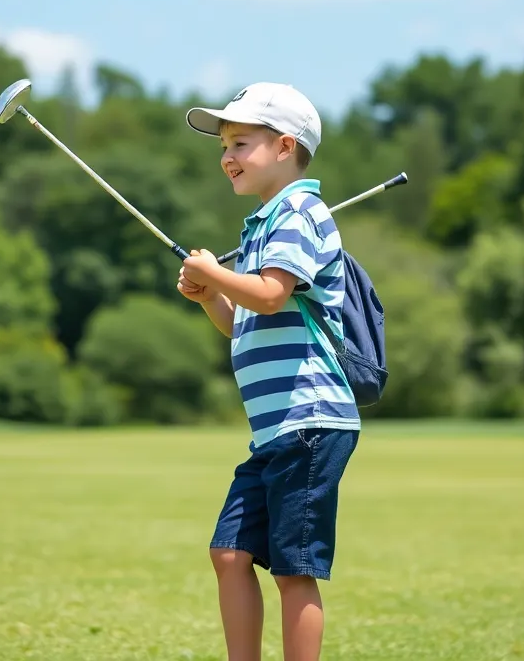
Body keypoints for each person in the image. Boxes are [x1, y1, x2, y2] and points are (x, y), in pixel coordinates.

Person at [175, 82, 360, 661]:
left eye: (240, 142)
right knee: (229, 553)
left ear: (284, 146)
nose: (226, 156)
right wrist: (209, 295)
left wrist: (218, 274)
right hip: (274, 430)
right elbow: (244, 322)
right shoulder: (261, 224)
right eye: (224, 145)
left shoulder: (300, 212)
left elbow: (272, 295)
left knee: (292, 569)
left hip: (310, 418)